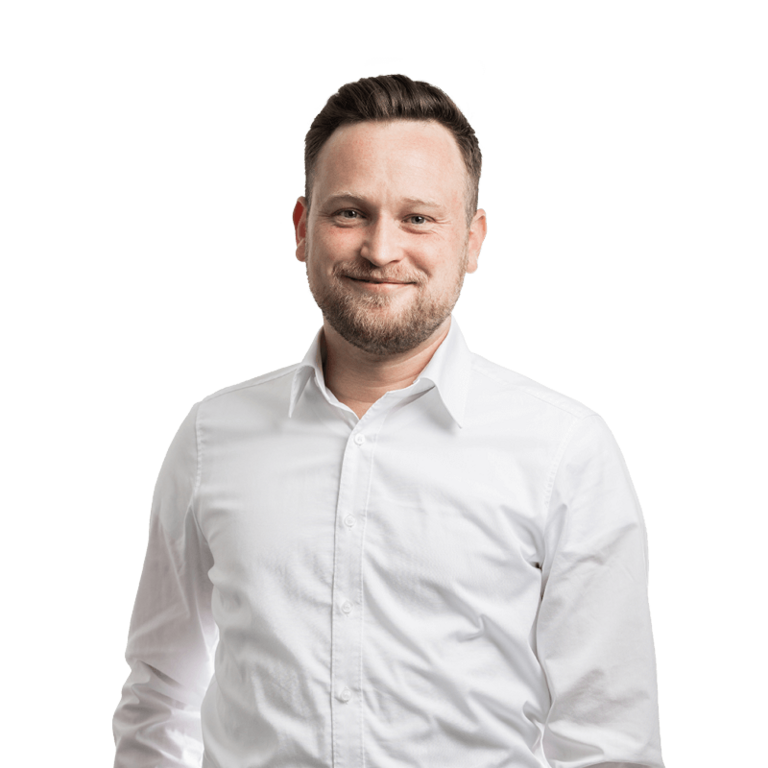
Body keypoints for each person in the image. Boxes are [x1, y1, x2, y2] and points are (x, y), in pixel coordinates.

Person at [112, 73, 664, 767]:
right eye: (349, 213)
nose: (379, 249)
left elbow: (609, 740)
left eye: (418, 218)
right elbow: (161, 695)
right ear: (300, 229)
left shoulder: (567, 450)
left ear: (473, 239)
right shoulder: (209, 437)